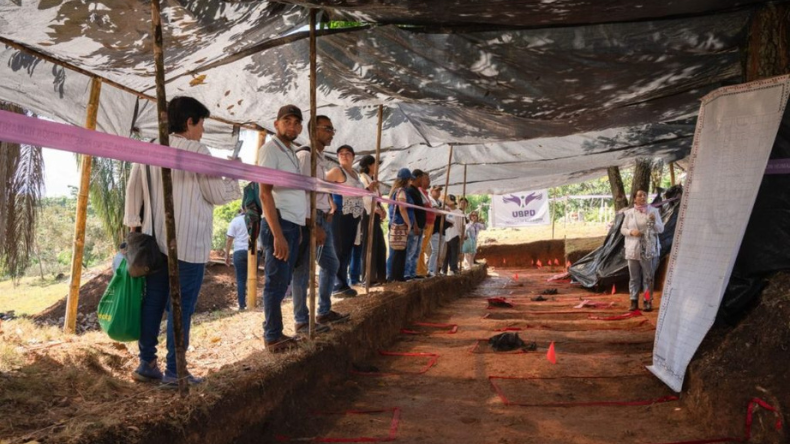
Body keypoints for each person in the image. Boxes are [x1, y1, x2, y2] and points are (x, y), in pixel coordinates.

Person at [124, 96, 240, 385]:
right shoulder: (198, 149)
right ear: (190, 122)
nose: (202, 131)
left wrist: (135, 226)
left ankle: (147, 363)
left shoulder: (150, 147)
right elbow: (217, 195)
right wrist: (234, 174)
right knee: (181, 306)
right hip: (187, 242)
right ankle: (176, 371)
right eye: (201, 124)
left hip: (154, 241)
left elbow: (133, 190)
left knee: (153, 302)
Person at [290, 115, 349, 336]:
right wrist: (313, 225)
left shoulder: (320, 157)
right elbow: (303, 192)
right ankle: (301, 321)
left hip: (322, 216)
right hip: (310, 219)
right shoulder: (305, 156)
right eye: (327, 128)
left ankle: (323, 311)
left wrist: (329, 206)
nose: (332, 132)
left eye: (332, 129)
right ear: (314, 130)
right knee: (303, 271)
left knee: (331, 264)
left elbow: (318, 188)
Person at [257, 104, 308, 353]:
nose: (292, 126)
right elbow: (265, 193)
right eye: (287, 121)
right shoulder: (270, 150)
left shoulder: (291, 152)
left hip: (293, 224)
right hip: (280, 222)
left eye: (297, 122)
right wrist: (277, 234)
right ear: (276, 124)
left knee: (283, 280)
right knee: (275, 282)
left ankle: (277, 332)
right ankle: (272, 336)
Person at [326, 145, 365, 297]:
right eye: (341, 153)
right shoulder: (337, 171)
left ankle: (343, 282)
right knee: (339, 250)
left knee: (347, 250)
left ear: (353, 156)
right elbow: (321, 185)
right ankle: (337, 284)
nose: (344, 156)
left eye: (347, 153)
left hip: (353, 215)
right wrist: (331, 203)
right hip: (341, 214)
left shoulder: (355, 173)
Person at [621, 189, 664, 312]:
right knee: (634, 277)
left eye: (645, 195)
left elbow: (661, 229)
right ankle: (633, 300)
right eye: (639, 195)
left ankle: (647, 301)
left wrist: (653, 221)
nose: (642, 197)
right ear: (634, 199)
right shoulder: (629, 213)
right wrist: (631, 232)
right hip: (633, 249)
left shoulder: (654, 211)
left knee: (648, 277)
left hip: (649, 250)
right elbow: (623, 229)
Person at [358, 155, 387, 285]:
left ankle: (378, 276)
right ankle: (367, 277)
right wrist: (376, 209)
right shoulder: (363, 179)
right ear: (370, 165)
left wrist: (381, 208)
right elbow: (365, 197)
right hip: (368, 214)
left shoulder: (372, 180)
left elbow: (376, 198)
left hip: (375, 215)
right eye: (376, 164)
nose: (378, 167)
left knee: (379, 246)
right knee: (369, 246)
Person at [387, 168, 415, 282]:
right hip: (400, 224)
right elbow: (402, 208)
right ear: (406, 180)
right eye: (410, 180)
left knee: (398, 251)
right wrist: (408, 223)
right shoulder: (402, 192)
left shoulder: (395, 191)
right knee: (399, 251)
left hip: (397, 223)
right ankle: (396, 277)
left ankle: (396, 276)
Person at [404, 170, 427, 280]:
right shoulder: (409, 191)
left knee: (416, 251)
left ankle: (413, 273)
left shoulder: (417, 191)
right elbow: (410, 210)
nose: (423, 181)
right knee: (411, 251)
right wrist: (415, 225)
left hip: (420, 225)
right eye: (422, 178)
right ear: (417, 177)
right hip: (414, 226)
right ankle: (407, 274)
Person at [225, 208, 249, 311]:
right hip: (253, 252)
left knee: (240, 279)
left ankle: (242, 305)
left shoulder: (235, 221)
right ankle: (253, 302)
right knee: (252, 278)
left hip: (239, 251)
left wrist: (227, 255)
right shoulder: (255, 219)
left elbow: (230, 239)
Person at [416, 174, 434, 277]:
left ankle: (422, 270)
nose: (429, 181)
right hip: (425, 224)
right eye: (427, 179)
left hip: (430, 223)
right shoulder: (419, 192)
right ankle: (419, 271)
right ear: (421, 180)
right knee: (421, 248)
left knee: (422, 248)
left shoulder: (425, 194)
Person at [441, 195, 463, 276]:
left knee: (454, 253)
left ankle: (453, 268)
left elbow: (462, 225)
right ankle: (444, 269)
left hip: (455, 234)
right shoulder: (445, 210)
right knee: (445, 253)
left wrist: (462, 235)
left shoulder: (459, 212)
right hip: (445, 234)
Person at [427, 186, 446, 276]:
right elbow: (436, 212)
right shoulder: (430, 200)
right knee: (435, 250)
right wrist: (443, 211)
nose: (438, 193)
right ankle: (431, 270)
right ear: (431, 191)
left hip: (442, 229)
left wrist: (443, 210)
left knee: (440, 252)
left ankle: (437, 270)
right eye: (436, 191)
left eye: (439, 191)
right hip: (434, 229)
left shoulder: (441, 202)